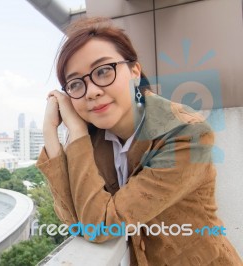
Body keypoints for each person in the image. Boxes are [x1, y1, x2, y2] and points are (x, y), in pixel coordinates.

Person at [36, 17, 242, 265]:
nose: (91, 91)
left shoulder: (187, 134)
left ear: (134, 72)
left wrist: (78, 133)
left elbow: (99, 228)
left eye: (103, 71)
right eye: (76, 83)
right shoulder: (94, 140)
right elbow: (75, 220)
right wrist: (52, 133)